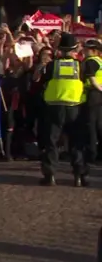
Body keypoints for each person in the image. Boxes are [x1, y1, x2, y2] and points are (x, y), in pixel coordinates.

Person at [41, 33, 90, 187]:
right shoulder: (81, 65)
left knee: (52, 142)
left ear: (60, 50)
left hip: (54, 106)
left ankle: (50, 176)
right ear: (75, 49)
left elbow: (45, 82)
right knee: (76, 143)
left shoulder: (52, 65)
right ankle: (79, 176)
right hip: (74, 107)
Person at [82, 39, 102, 162]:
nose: (84, 50)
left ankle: (92, 154)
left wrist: (99, 88)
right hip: (99, 95)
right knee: (99, 125)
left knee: (91, 126)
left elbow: (92, 78)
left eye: (86, 49)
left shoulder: (90, 61)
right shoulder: (100, 61)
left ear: (94, 51)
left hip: (93, 94)